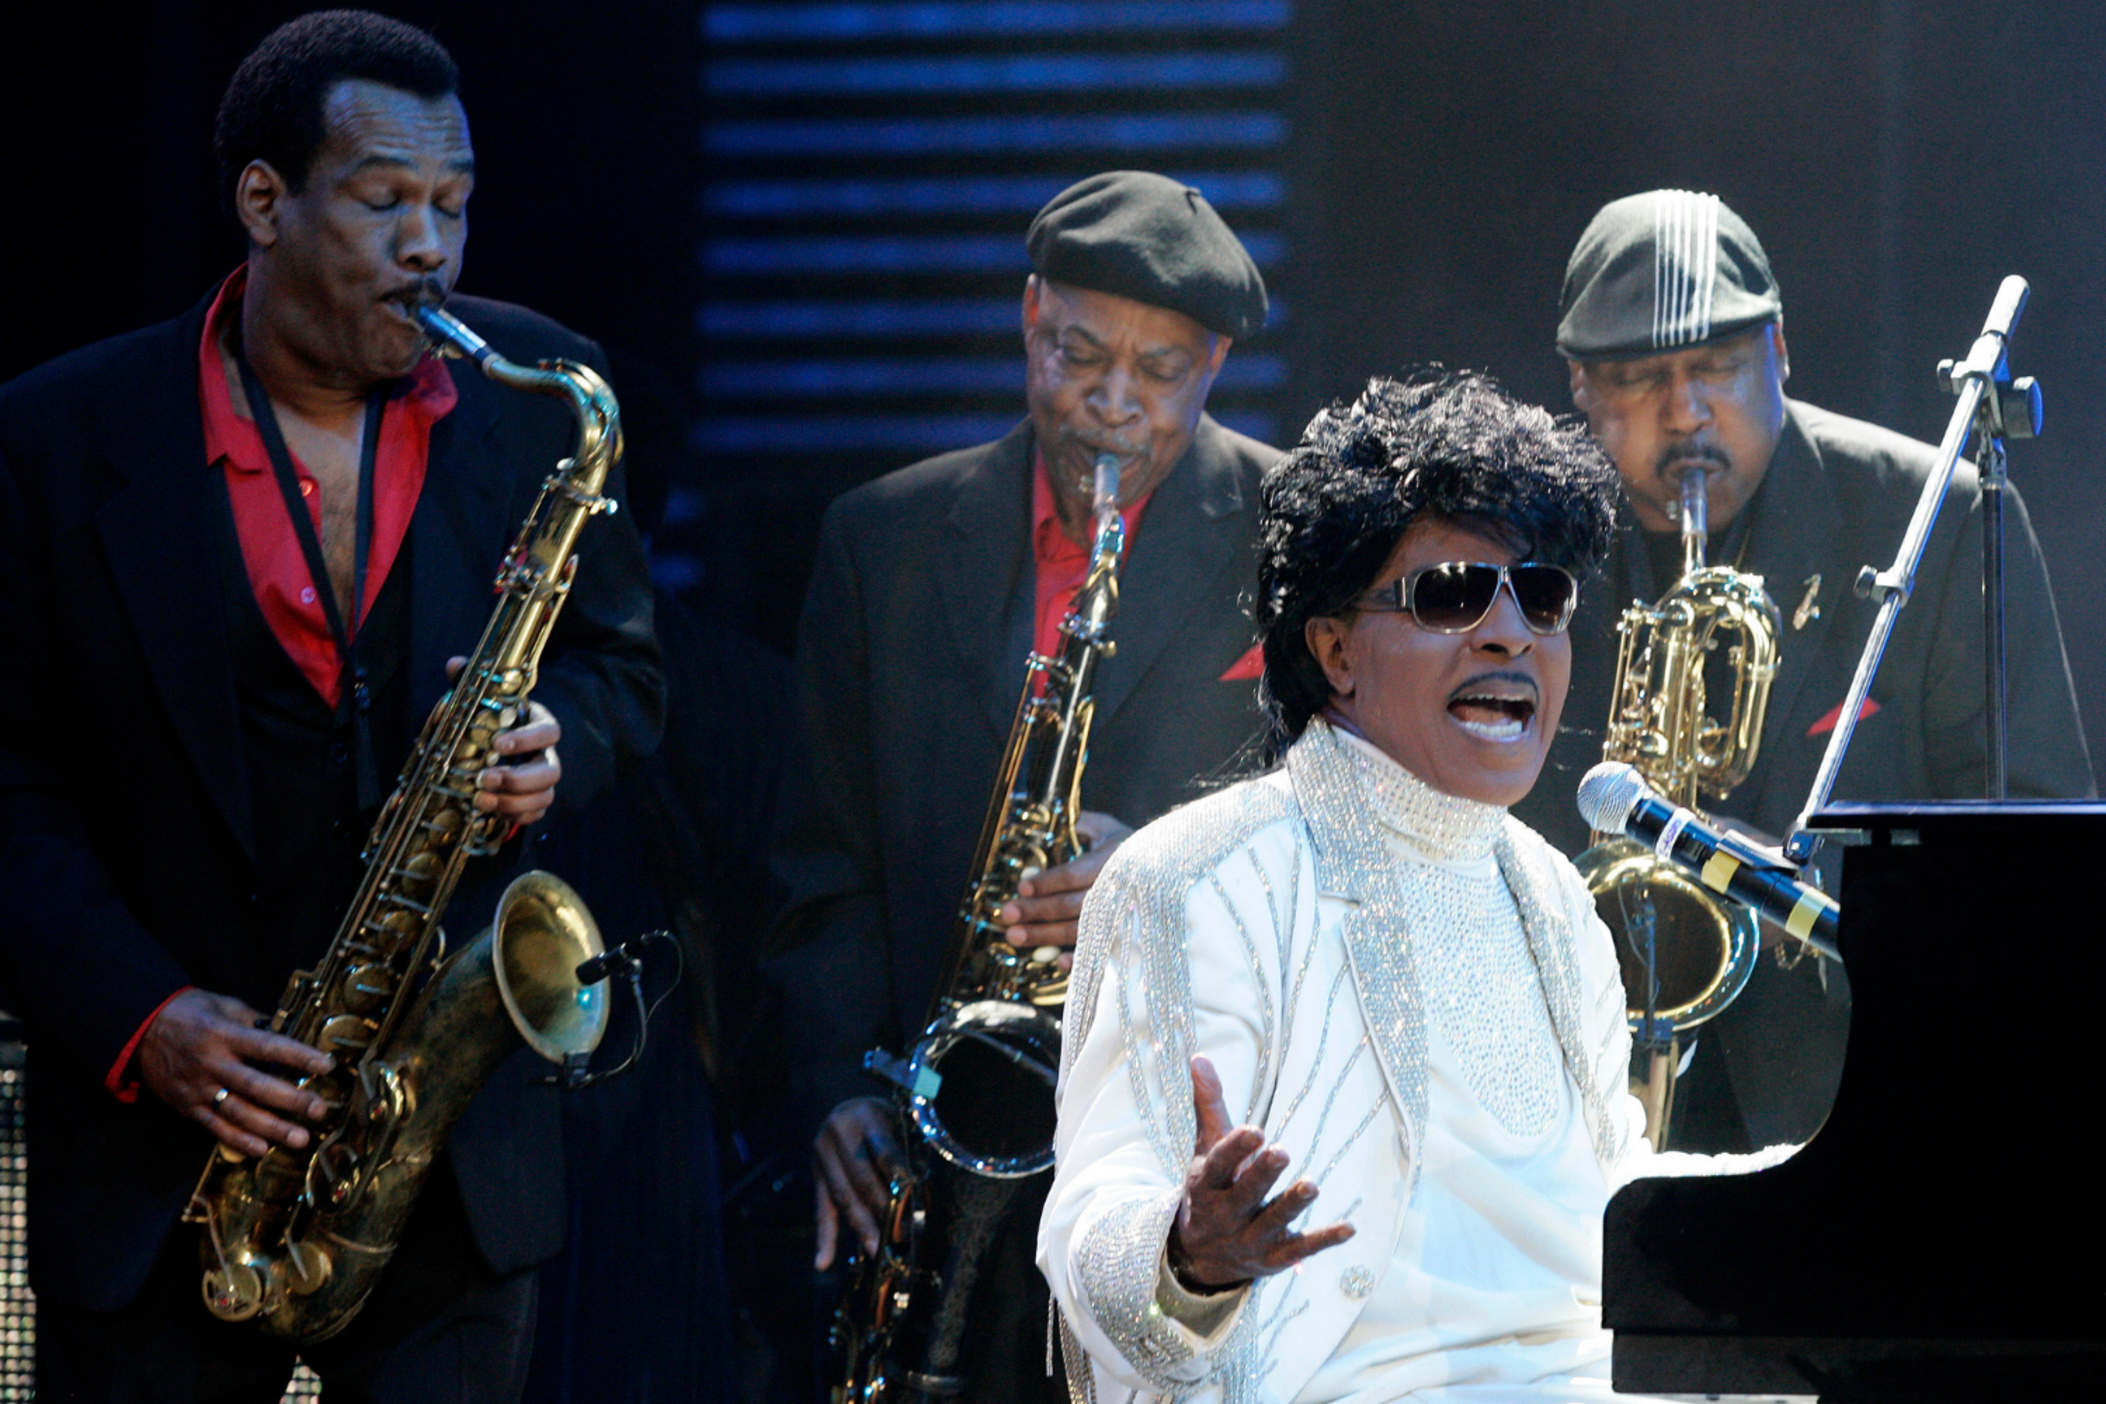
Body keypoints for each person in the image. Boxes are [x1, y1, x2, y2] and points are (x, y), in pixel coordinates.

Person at [0, 12, 661, 1400]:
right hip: (155, 1166)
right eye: (383, 203)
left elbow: (626, 674)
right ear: (263, 201)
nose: (430, 246)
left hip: (448, 1171)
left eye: (454, 204)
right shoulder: (53, 435)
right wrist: (145, 1019)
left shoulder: (541, 396)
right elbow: (9, 786)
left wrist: (565, 743)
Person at [1042, 369, 1705, 1402]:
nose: (1508, 633)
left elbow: (1613, 1206)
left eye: (1542, 596)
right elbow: (1094, 1225)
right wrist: (1189, 1256)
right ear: (1335, 649)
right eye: (1451, 595)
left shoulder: (1551, 896)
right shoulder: (1199, 881)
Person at [769, 170, 1280, 1400]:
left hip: (1189, 1154)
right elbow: (820, 862)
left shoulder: (1299, 534)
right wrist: (837, 1088)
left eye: (1161, 374)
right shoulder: (877, 537)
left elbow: (1355, 824)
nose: (1111, 404)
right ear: (1028, 312)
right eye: (1078, 353)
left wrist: (1158, 865)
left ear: (1214, 363)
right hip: (936, 1154)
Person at [1516, 188, 2093, 1152]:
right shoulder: (1526, 538)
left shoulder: (1930, 518)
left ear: (1779, 351)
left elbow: (2034, 858)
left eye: (1718, 367)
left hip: (1860, 1100)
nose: (1685, 412)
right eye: (1639, 379)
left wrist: (1801, 890)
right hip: (1571, 1105)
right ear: (1578, 385)